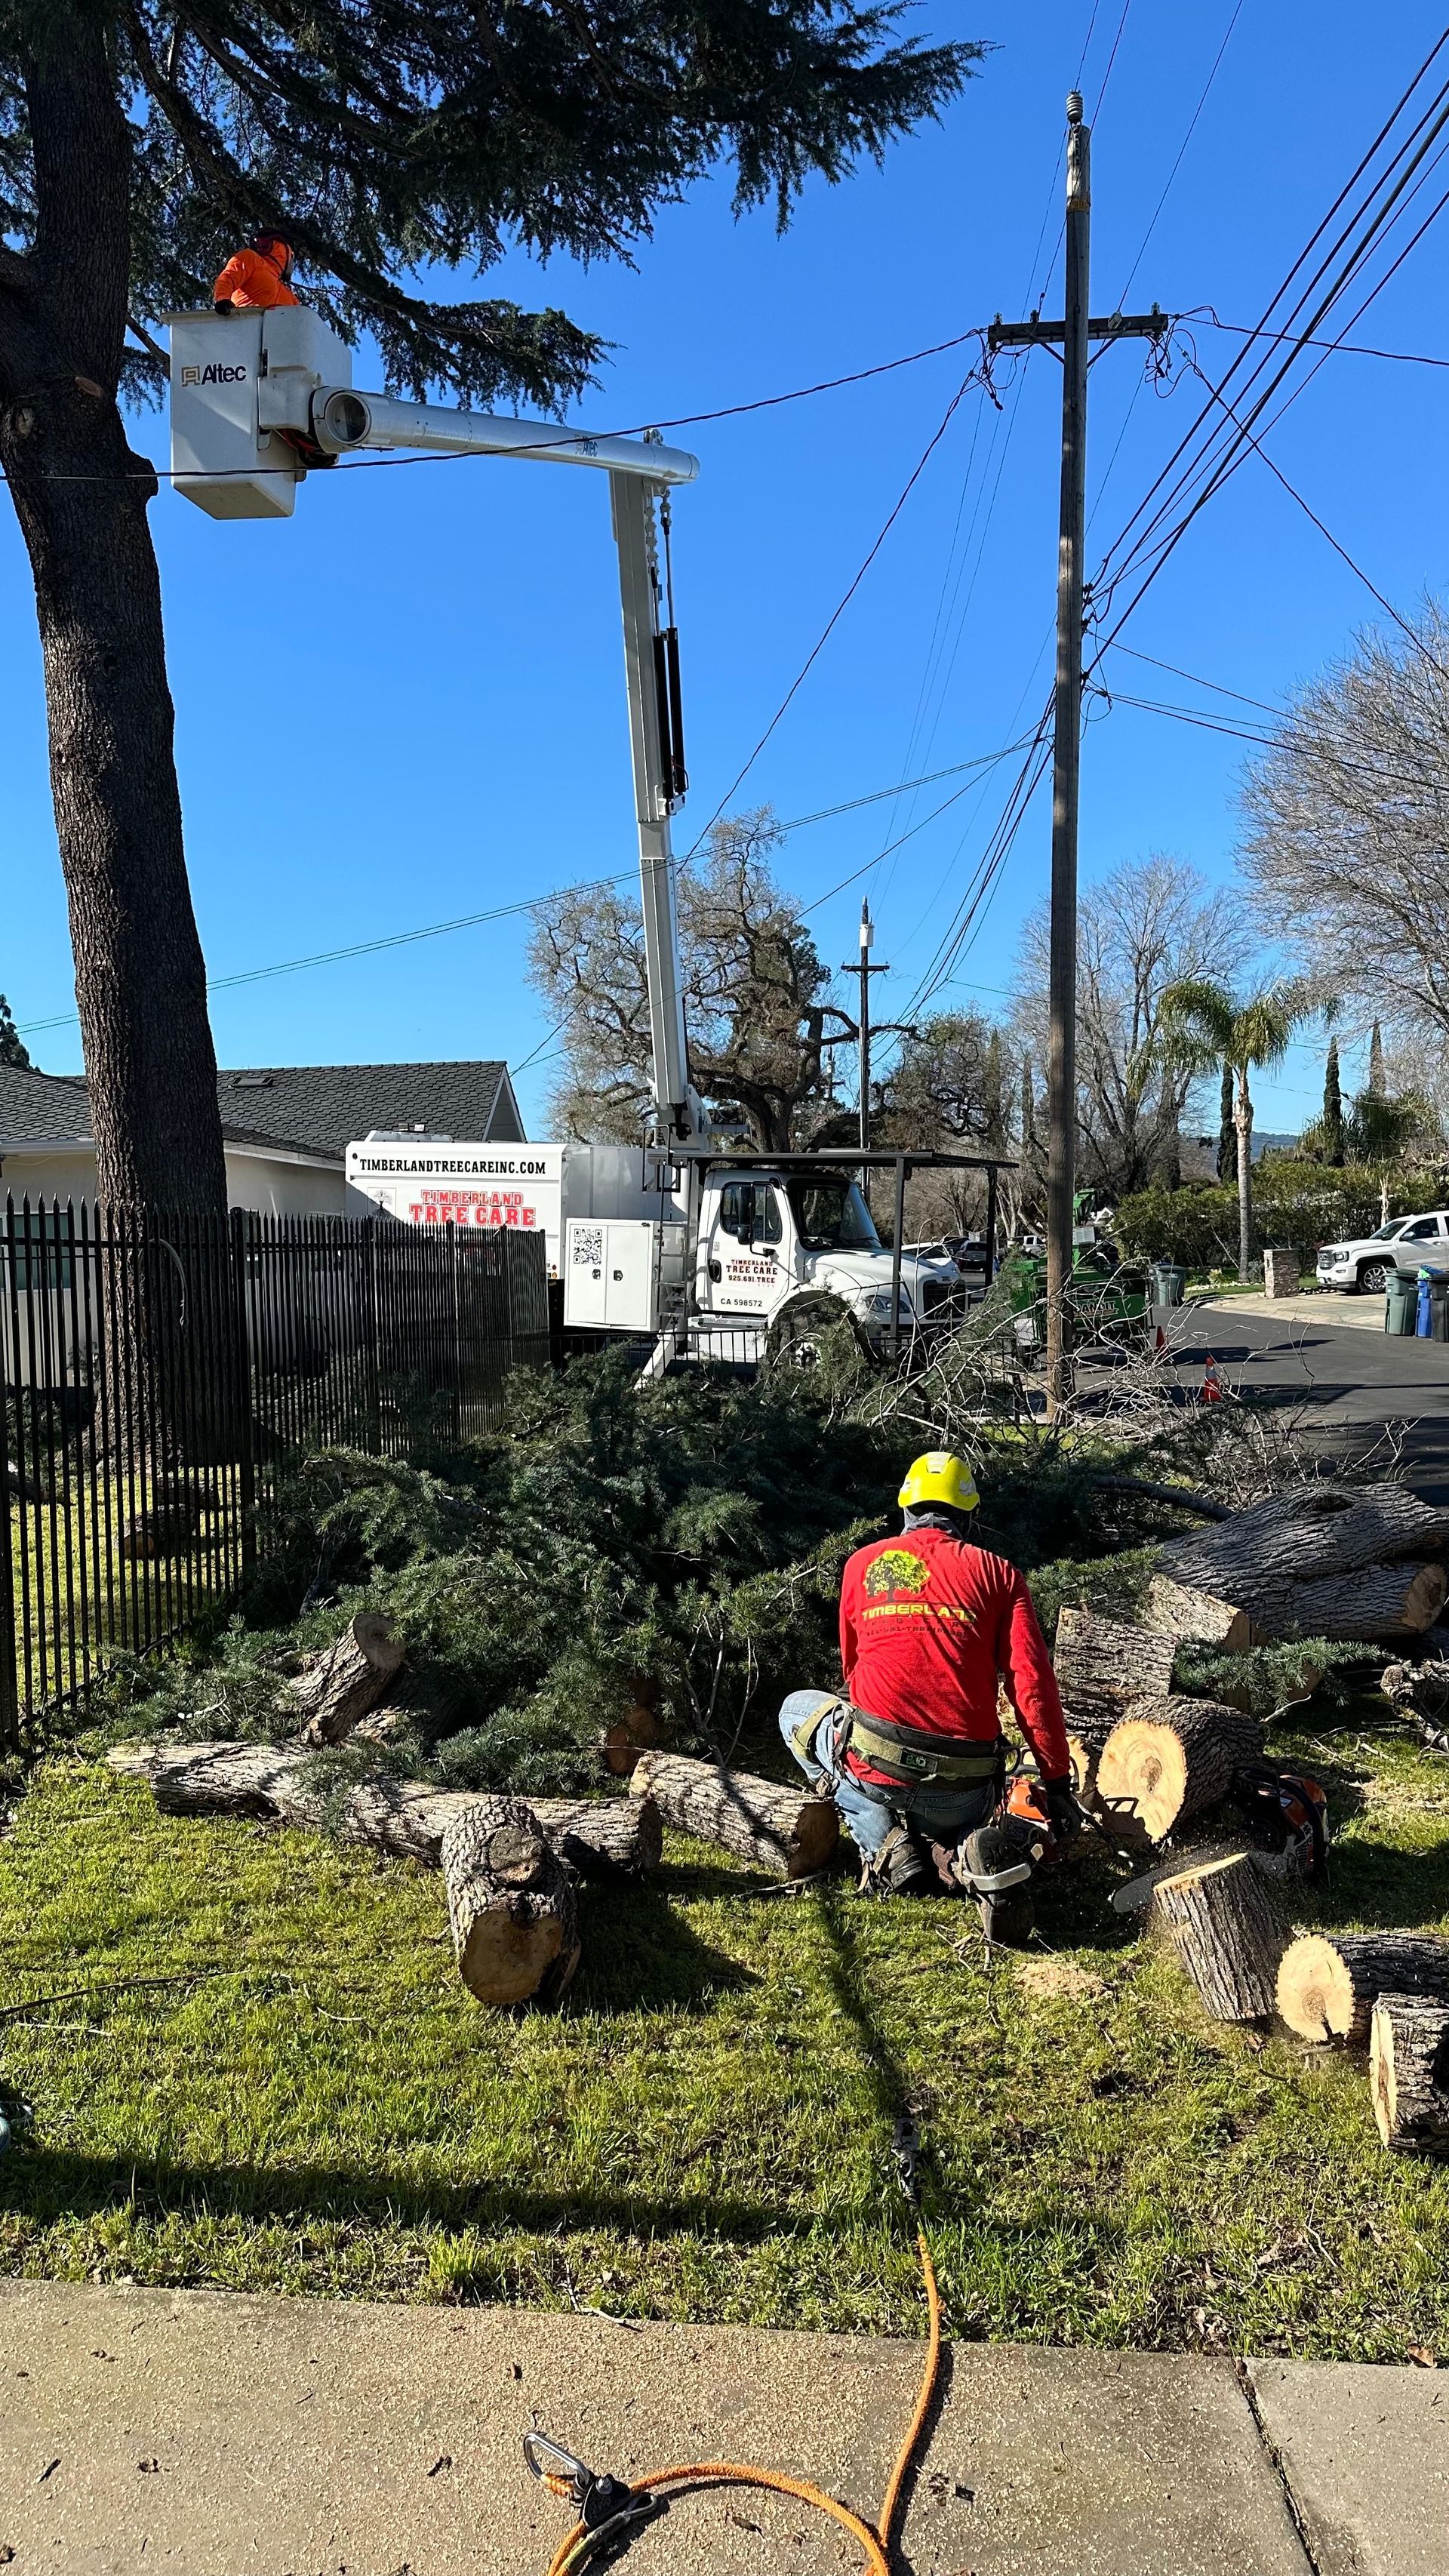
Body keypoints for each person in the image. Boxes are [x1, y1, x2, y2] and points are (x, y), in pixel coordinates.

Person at [779, 1449, 1077, 1911]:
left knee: (794, 1710)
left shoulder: (861, 1566)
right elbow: (1031, 1685)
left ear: (905, 1508)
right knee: (959, 1806)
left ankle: (884, 1840)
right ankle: (963, 1853)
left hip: (879, 1770)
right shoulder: (1001, 1574)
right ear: (970, 1516)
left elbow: (852, 1671)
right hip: (965, 1789)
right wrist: (1057, 1783)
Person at [214, 232, 299, 312]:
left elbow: (300, 318)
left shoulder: (290, 295)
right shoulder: (251, 259)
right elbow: (229, 277)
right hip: (245, 322)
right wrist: (223, 299)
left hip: (275, 326)